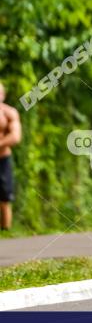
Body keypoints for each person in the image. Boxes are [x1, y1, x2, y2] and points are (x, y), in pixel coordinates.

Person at [0, 82, 22, 231]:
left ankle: (6, 230)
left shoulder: (9, 113)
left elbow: (15, 137)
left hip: (2, 159)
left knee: (4, 197)